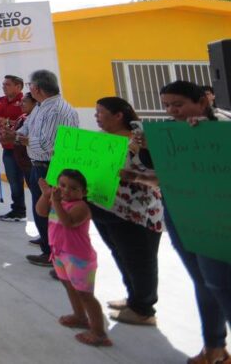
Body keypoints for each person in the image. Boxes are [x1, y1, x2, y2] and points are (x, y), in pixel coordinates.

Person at [147, 81, 230, 364]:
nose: (172, 111)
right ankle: (214, 347)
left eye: (178, 104)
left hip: (213, 219)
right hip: (180, 213)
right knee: (203, 282)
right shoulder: (173, 133)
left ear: (203, 102)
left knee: (219, 282)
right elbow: (170, 175)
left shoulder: (222, 125)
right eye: (167, 105)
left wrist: (208, 133)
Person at [91, 97, 162, 327]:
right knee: (121, 254)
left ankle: (144, 308)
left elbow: (156, 172)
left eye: (100, 112)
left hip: (137, 213)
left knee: (139, 258)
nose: (96, 116)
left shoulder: (141, 142)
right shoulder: (100, 139)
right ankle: (133, 297)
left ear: (118, 115)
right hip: (105, 209)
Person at [8, 69, 79, 268]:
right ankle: (47, 244)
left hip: (51, 167)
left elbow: (48, 144)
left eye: (30, 85)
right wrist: (17, 134)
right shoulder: (41, 107)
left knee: (49, 211)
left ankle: (53, 254)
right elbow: (28, 127)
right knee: (41, 209)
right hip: (38, 165)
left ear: (36, 88)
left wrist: (23, 140)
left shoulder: (56, 110)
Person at [36, 169, 110, 347]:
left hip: (79, 258)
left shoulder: (81, 207)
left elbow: (68, 222)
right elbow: (40, 212)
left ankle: (99, 333)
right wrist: (45, 195)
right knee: (68, 285)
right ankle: (79, 316)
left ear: (84, 193)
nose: (66, 190)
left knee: (85, 294)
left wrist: (55, 201)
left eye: (73, 188)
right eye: (62, 185)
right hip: (60, 254)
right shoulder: (57, 202)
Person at [0, 75, 27, 222]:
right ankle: (18, 210)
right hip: (7, 148)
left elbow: (27, 119)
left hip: (23, 148)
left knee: (27, 181)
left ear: (18, 86)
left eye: (8, 84)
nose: (4, 87)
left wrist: (9, 122)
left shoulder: (26, 101)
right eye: (3, 84)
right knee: (13, 180)